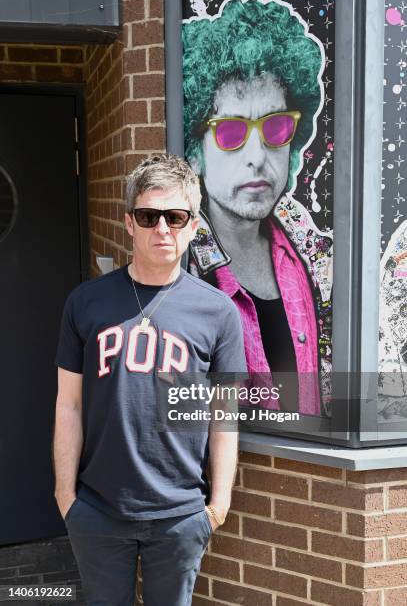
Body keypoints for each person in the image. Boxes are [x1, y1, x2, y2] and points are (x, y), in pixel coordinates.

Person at [52, 154, 247, 606]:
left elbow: (225, 417)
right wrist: (66, 497)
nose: (162, 228)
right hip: (98, 510)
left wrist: (216, 507)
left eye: (175, 217)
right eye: (148, 216)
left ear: (193, 225)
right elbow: (69, 404)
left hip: (180, 515)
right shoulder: (86, 303)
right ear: (129, 222)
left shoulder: (218, 312)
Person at [183, 0, 330, 416]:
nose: (257, 155)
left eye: (275, 127)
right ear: (197, 152)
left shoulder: (311, 261)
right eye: (230, 132)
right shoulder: (182, 270)